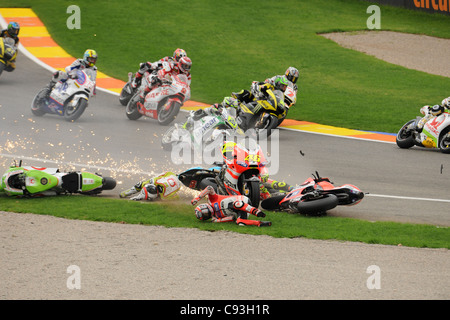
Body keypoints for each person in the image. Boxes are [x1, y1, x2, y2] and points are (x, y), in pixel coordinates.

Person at [191, 185, 272, 226]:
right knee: (240, 223)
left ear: (204, 206)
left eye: (204, 211)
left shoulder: (212, 199)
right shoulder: (215, 218)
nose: (207, 213)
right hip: (242, 211)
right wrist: (218, 221)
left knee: (235, 204)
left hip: (243, 201)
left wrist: (197, 198)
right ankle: (260, 223)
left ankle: (256, 211)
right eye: (205, 215)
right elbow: (232, 218)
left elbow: (209, 188)